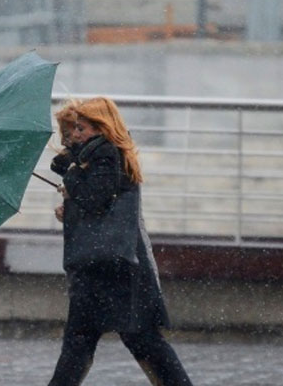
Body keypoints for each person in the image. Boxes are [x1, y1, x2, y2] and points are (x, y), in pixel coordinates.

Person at [48, 97, 193, 386]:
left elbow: (94, 199)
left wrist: (71, 187)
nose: (74, 135)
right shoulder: (99, 156)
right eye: (71, 129)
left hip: (110, 267)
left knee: (118, 340)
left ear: (103, 126)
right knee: (126, 340)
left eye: (81, 128)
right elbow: (100, 204)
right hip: (111, 265)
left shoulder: (104, 154)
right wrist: (71, 206)